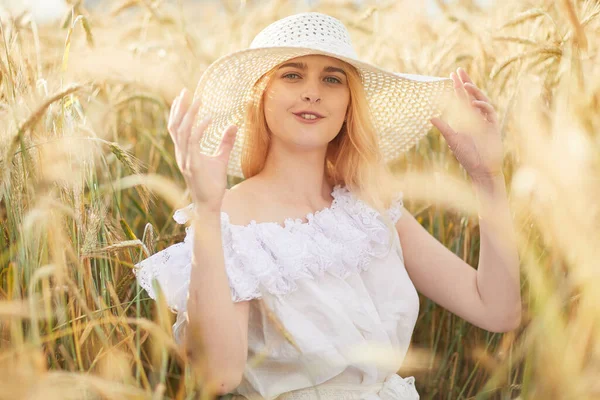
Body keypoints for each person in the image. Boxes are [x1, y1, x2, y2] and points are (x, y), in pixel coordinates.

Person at [133, 12, 521, 400]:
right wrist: (205, 209)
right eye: (292, 75)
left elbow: (497, 310)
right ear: (260, 94)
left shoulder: (370, 209)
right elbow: (217, 377)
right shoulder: (231, 220)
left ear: (349, 103)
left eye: (332, 79)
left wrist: (488, 179)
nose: (312, 92)